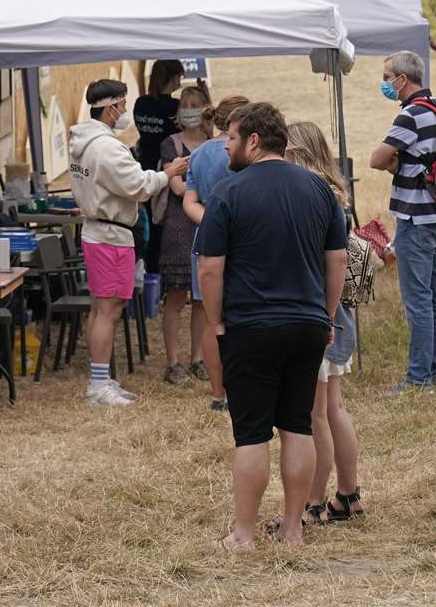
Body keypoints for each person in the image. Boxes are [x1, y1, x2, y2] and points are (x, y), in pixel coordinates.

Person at [196, 103, 347, 551]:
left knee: (252, 433)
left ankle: (243, 535)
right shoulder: (320, 190)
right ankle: (292, 529)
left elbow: (209, 268)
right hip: (307, 325)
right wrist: (327, 314)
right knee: (297, 426)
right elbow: (336, 260)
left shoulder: (228, 192)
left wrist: (217, 321)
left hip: (251, 326)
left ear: (254, 141)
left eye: (232, 137)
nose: (226, 143)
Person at [70, 79, 189, 406]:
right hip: (111, 234)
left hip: (98, 231)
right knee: (109, 309)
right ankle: (98, 384)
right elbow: (138, 186)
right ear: (110, 109)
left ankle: (102, 378)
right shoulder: (106, 147)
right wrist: (169, 172)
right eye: (122, 105)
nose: (125, 112)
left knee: (100, 307)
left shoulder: (83, 139)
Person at [284, 122, 365, 528]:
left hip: (318, 314)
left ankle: (313, 501)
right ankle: (348, 494)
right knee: (334, 409)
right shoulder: (336, 194)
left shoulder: (307, 197)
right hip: (339, 314)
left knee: (315, 416)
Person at [368, 51, 436, 393]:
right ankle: (435, 369)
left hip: (415, 218)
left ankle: (418, 377)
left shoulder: (410, 115)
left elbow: (376, 159)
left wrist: (395, 162)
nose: (385, 82)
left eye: (388, 76)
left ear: (402, 79)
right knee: (435, 295)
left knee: (417, 299)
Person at [182, 94, 250, 411]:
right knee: (243, 317)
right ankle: (243, 388)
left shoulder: (198, 155)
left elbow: (189, 202)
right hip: (242, 239)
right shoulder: (243, 151)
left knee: (213, 318)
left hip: (205, 240)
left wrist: (211, 223)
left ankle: (217, 393)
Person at [158, 85, 212, 387]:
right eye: (185, 103)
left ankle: (197, 358)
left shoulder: (213, 144)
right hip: (178, 230)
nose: (189, 108)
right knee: (176, 297)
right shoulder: (171, 144)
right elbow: (177, 187)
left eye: (195, 104)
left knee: (203, 300)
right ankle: (173, 362)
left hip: (204, 228)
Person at [134, 59, 186, 284]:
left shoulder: (141, 103)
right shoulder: (174, 108)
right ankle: (161, 275)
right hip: (167, 170)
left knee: (149, 224)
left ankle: (150, 273)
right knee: (165, 225)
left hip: (143, 168)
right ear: (173, 78)